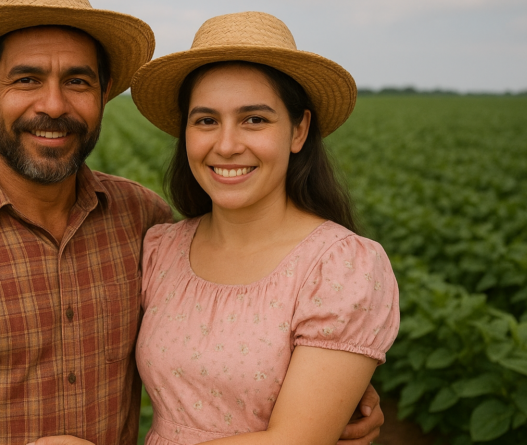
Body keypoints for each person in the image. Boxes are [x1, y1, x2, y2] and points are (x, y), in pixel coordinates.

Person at [0, 1, 386, 443]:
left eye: (77, 81)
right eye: (25, 80)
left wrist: (333, 409)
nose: (53, 105)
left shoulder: (140, 223)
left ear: (101, 96)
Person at [32, 11, 399, 445]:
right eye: (206, 120)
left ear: (299, 129)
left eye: (254, 120)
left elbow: (296, 439)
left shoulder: (341, 266)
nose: (226, 145)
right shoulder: (161, 248)